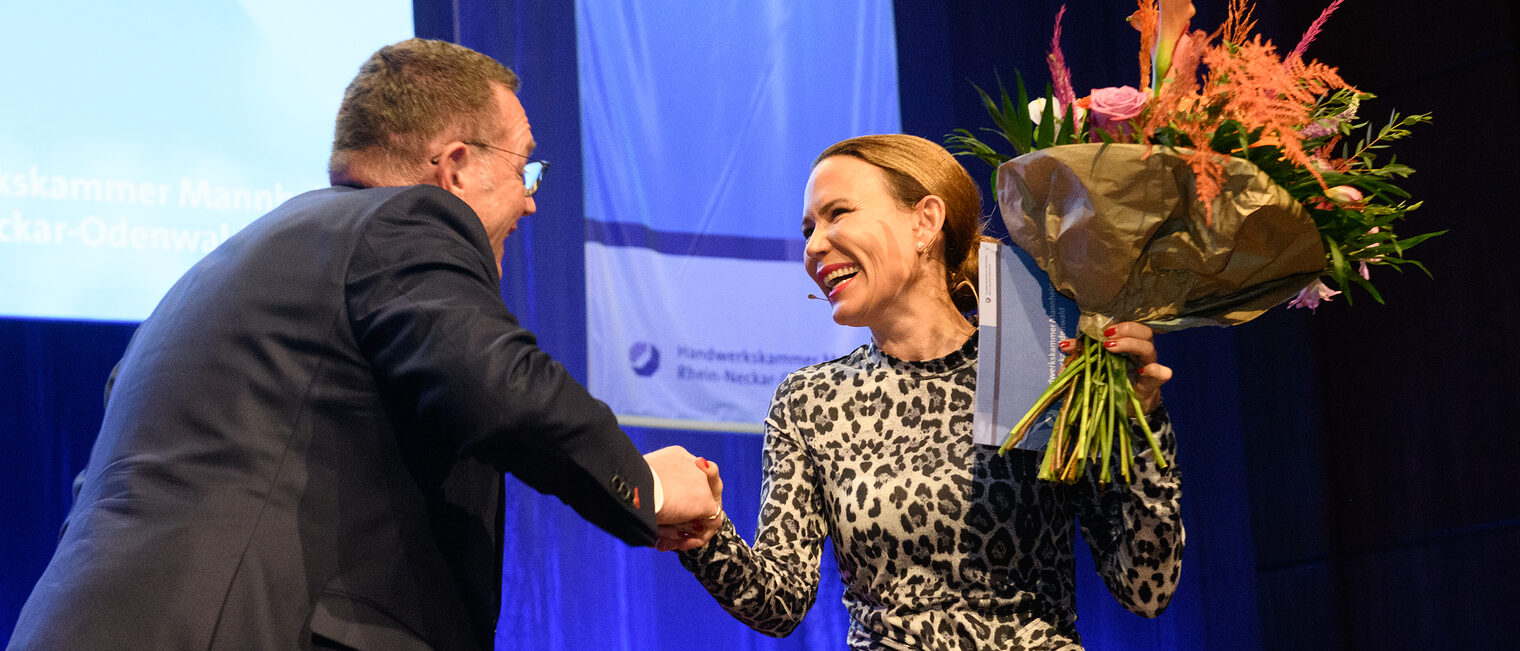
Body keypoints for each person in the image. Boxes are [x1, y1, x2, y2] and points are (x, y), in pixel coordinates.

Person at [8, 38, 719, 651]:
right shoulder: (404, 223)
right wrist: (646, 485)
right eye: (524, 167)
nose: (531, 199)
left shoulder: (224, 270)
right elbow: (498, 383)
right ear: (457, 166)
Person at [670, 134, 1184, 650]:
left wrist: (1142, 427)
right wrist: (704, 529)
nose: (813, 246)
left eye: (837, 214)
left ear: (925, 221)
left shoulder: (1043, 361)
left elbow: (1145, 585)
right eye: (809, 229)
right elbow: (780, 602)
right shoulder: (811, 401)